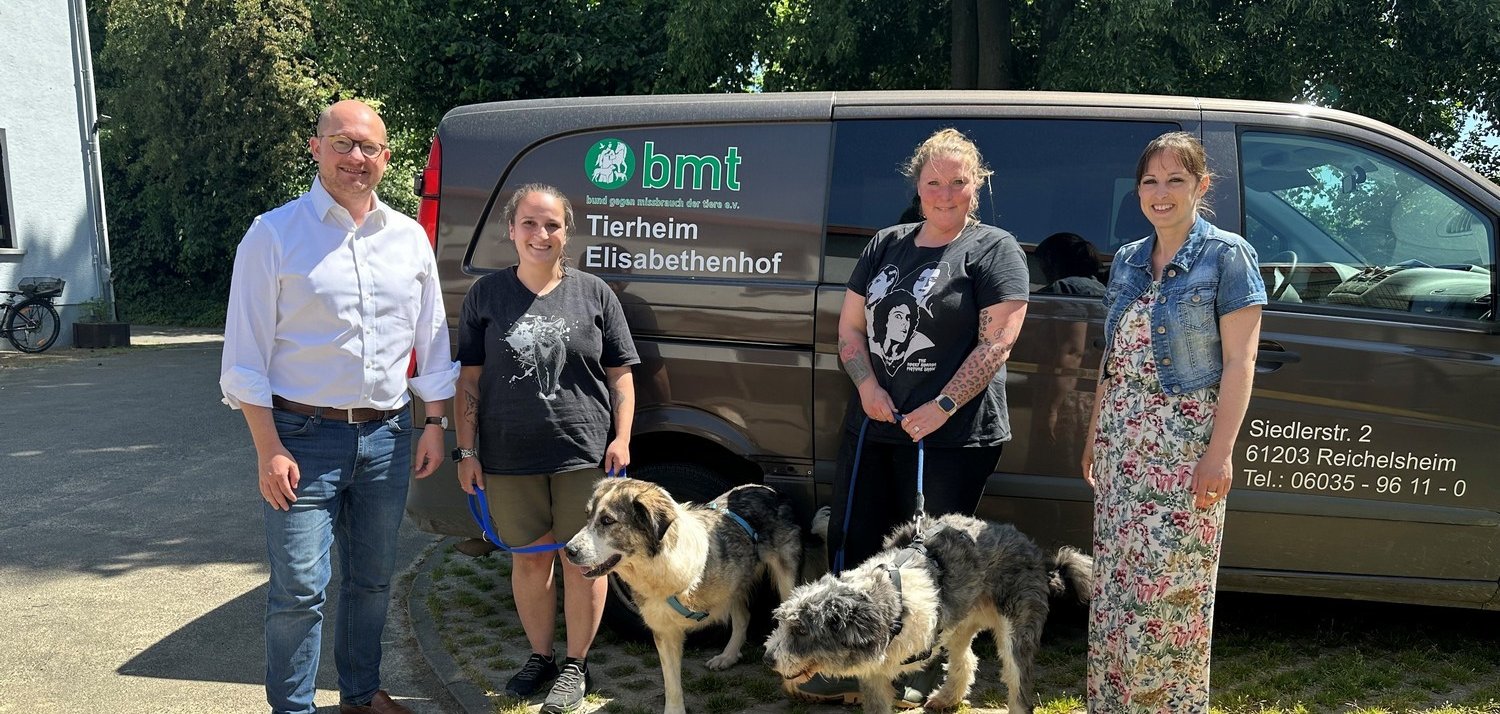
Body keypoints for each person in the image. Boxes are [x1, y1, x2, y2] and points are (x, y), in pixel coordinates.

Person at [220, 99, 459, 714]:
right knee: (300, 589)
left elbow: (432, 339)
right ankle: (294, 708)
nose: (358, 158)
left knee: (371, 582)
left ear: (386, 157)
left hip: (386, 437)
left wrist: (434, 423)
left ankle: (360, 694)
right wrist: (268, 447)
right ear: (316, 147)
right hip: (301, 438)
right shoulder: (273, 235)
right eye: (344, 143)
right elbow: (244, 357)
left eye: (371, 148)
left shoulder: (408, 238)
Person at [800, 127, 1030, 705]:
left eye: (958, 182)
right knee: (854, 542)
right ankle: (844, 661)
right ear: (918, 185)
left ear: (977, 184)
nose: (946, 193)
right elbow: (850, 330)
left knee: (931, 561)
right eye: (934, 182)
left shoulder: (994, 249)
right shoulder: (886, 243)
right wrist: (868, 386)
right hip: (872, 424)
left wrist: (942, 405)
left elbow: (997, 343)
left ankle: (920, 667)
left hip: (952, 436)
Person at [1082, 132, 1266, 712]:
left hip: (1184, 447)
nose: (1161, 194)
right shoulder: (1130, 259)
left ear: (1201, 186)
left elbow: (1241, 361)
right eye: (1150, 181)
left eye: (1176, 180)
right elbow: (1112, 359)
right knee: (1115, 588)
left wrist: (1221, 453)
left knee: (1170, 592)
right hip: (1122, 443)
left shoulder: (1226, 255)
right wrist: (1093, 434)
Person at [452, 183, 638, 714]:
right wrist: (467, 453)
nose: (541, 234)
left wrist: (621, 438)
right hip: (508, 458)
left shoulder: (595, 294)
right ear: (511, 231)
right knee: (532, 563)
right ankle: (540, 658)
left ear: (566, 232)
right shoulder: (486, 296)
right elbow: (469, 381)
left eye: (551, 224)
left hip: (583, 454)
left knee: (583, 564)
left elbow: (620, 376)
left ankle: (576, 665)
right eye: (529, 224)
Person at [1035, 231, 1107, 296]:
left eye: (1042, 263)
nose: (1042, 270)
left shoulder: (1061, 288)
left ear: (1050, 261)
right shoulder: (1102, 289)